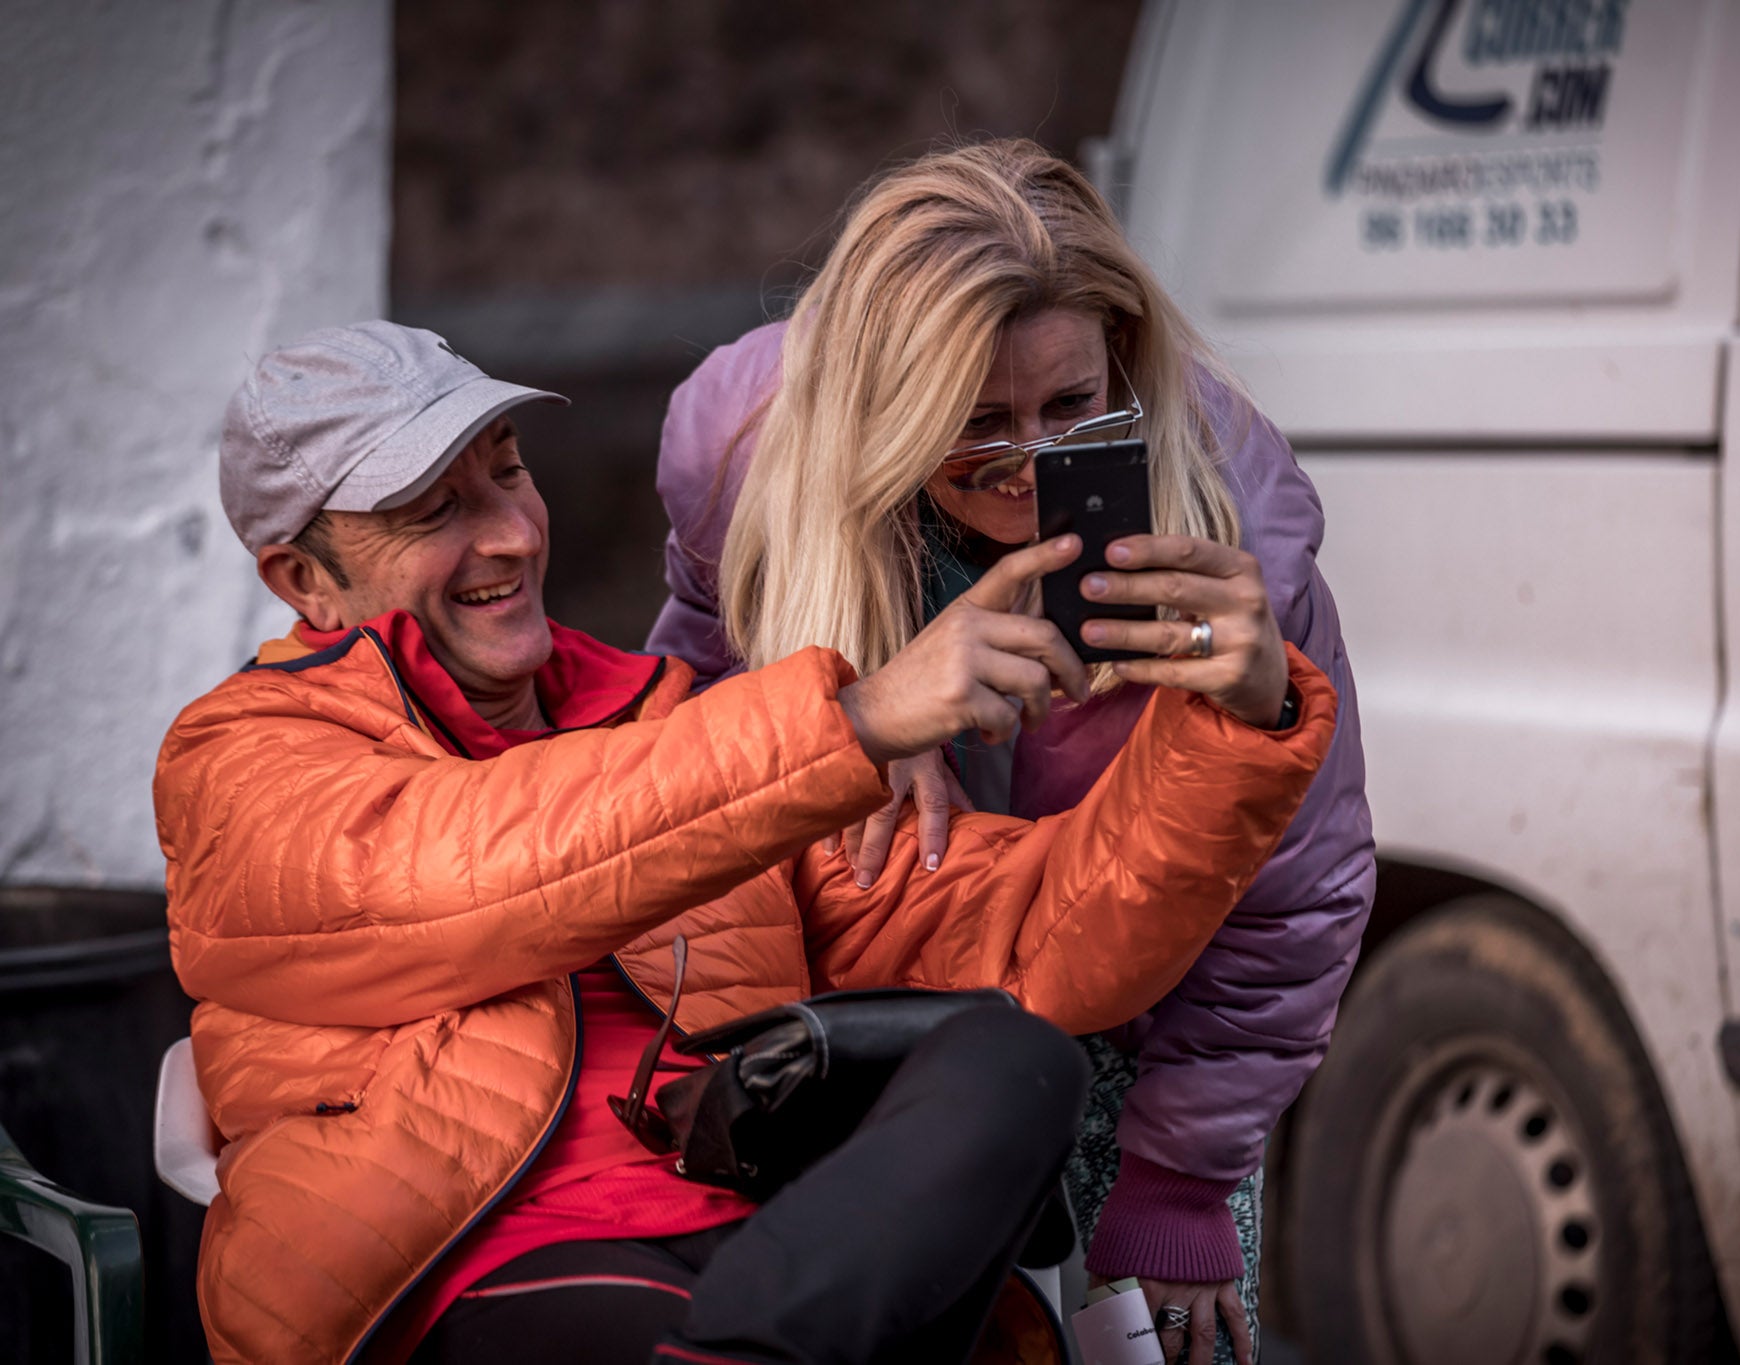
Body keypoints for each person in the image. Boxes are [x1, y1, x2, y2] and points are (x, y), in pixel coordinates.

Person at [155, 321, 1341, 1365]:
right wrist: (860, 720)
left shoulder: (675, 718)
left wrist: (1235, 720)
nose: (510, 534)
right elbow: (475, 865)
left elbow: (1043, 934)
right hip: (469, 1275)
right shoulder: (241, 755)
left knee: (1017, 1058)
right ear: (304, 579)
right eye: (436, 511)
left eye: (510, 476)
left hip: (771, 1255)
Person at [648, 139, 1377, 1365]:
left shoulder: (1228, 525)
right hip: (853, 1028)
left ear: (1123, 357)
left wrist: (1178, 1188)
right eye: (975, 425)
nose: (1031, 468)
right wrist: (849, 716)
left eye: (1071, 407)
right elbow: (683, 739)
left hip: (1137, 1058)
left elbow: (1291, 899)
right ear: (884, 409)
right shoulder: (744, 458)